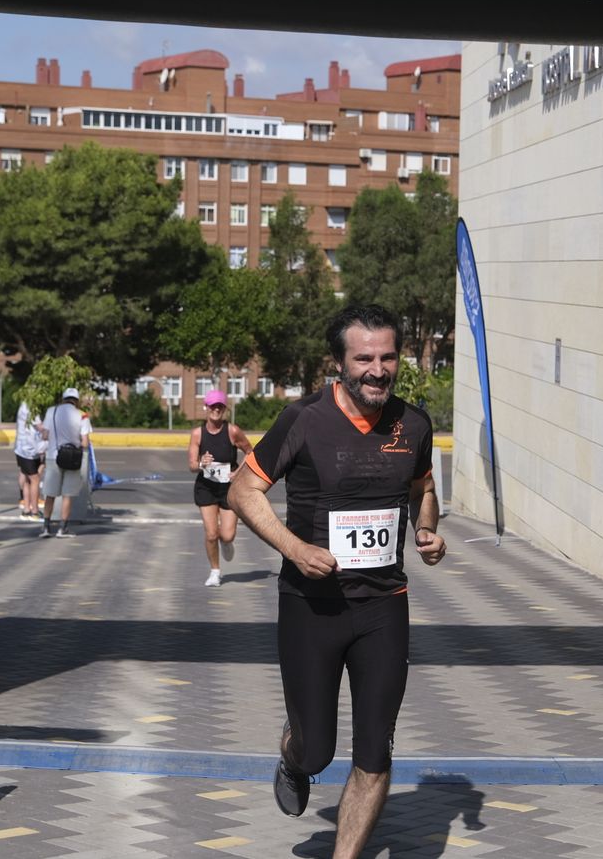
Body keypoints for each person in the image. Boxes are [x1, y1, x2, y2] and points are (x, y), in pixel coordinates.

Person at [229, 305, 445, 859]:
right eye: (365, 358)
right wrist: (295, 549)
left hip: (383, 606)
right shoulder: (303, 419)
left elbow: (423, 490)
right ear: (340, 362)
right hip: (311, 606)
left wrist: (426, 531)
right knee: (318, 749)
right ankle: (293, 753)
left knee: (375, 751)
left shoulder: (414, 424)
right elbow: (242, 492)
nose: (378, 369)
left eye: (388, 356)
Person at [188, 389, 254, 586]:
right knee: (211, 533)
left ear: (224, 409)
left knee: (227, 535)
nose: (216, 409)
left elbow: (250, 452)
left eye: (220, 406)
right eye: (212, 406)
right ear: (205, 408)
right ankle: (215, 572)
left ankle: (226, 543)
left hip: (228, 489)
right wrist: (202, 463)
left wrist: (238, 472)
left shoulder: (232, 431)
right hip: (206, 488)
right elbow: (192, 465)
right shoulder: (197, 433)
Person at [38, 387, 92, 539]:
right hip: (72, 458)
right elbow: (85, 443)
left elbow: (45, 435)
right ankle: (63, 528)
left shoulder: (51, 411)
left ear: (63, 399)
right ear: (76, 401)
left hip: (53, 457)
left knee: (50, 493)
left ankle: (46, 527)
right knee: (68, 494)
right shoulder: (83, 415)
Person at [13, 399, 45, 521]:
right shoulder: (31, 408)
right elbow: (40, 427)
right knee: (35, 479)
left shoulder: (24, 404)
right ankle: (35, 511)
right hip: (28, 449)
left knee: (26, 478)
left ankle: (27, 509)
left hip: (22, 448)